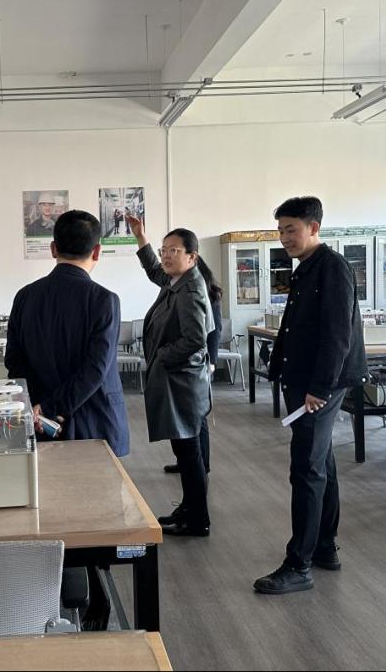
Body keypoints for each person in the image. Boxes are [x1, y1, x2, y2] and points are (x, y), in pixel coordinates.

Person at [253, 196, 365, 595]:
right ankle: (323, 547)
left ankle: (298, 564)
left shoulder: (332, 267)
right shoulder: (307, 267)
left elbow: (338, 334)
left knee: (306, 469)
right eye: (281, 231)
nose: (285, 238)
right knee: (322, 464)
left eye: (292, 230)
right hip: (305, 380)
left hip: (318, 386)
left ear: (313, 228)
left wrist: (319, 388)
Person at [5, 210, 130, 457]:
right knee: (99, 481)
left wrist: (39, 407)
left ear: (53, 249)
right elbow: (96, 369)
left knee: (48, 480)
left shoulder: (25, 296)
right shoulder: (104, 300)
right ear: (97, 251)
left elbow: (14, 361)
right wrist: (52, 407)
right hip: (94, 420)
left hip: (42, 423)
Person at [127, 214, 214, 537]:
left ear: (192, 257)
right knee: (185, 451)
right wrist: (141, 238)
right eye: (164, 250)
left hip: (183, 384)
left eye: (173, 250)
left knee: (189, 454)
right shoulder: (176, 281)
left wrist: (162, 356)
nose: (165, 255)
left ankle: (197, 519)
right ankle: (189, 508)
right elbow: (154, 270)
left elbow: (195, 340)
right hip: (178, 381)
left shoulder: (190, 291)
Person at [163, 277, 222, 475]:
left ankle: (202, 464)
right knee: (178, 415)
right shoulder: (179, 290)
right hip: (180, 365)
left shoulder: (205, 293)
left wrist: (212, 362)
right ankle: (184, 461)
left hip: (198, 365)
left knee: (198, 417)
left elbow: (214, 331)